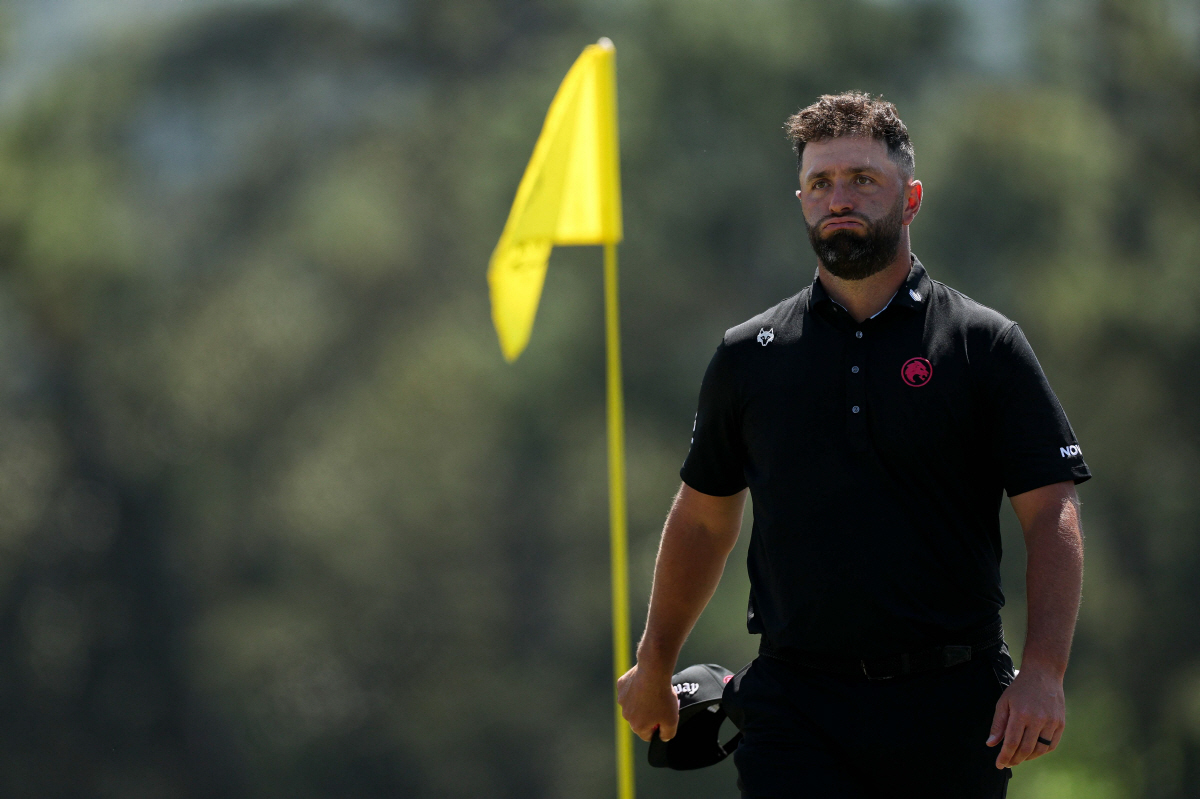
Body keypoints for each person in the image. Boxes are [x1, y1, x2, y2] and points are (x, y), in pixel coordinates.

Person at [616, 92, 1089, 798]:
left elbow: (1051, 513)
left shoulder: (983, 345)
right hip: (795, 703)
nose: (838, 198)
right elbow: (703, 518)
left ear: (912, 197)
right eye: (819, 183)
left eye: (862, 180)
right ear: (800, 199)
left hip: (953, 704)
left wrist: (1044, 671)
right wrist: (654, 661)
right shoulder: (750, 355)